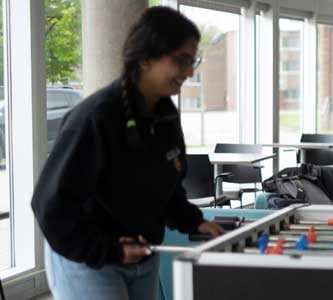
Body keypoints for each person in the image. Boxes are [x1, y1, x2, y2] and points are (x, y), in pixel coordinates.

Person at [31, 7, 225, 300]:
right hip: (90, 262)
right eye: (182, 60)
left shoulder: (165, 115)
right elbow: (50, 206)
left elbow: (168, 189)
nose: (189, 72)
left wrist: (193, 221)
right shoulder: (95, 118)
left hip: (143, 256)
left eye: (192, 60)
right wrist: (107, 250)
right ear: (146, 58)